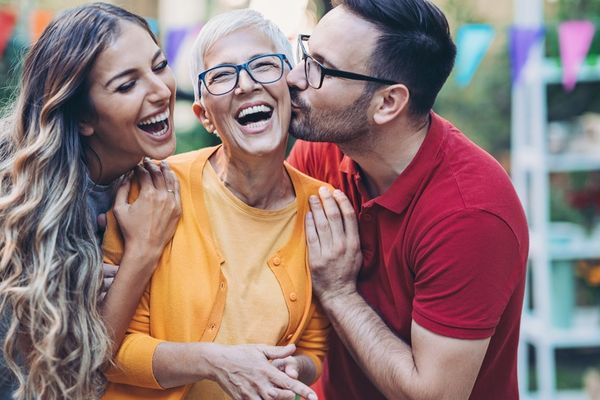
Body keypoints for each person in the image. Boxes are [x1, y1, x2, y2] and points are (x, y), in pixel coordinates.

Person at [286, 0, 529, 399]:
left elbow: (434, 394)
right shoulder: (322, 154)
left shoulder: (471, 214)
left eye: (320, 69)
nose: (294, 78)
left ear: (387, 103)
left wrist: (339, 293)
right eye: (304, 54)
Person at [100, 9, 328, 400]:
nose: (246, 85)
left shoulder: (324, 210)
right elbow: (109, 351)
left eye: (264, 66)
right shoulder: (153, 191)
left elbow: (313, 349)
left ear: (290, 89)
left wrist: (292, 367)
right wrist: (217, 362)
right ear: (204, 115)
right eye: (222, 76)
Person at [0, 3, 181, 399]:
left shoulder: (148, 186)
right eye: (127, 84)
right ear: (83, 118)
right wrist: (142, 251)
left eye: (159, 64)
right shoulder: (21, 207)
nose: (161, 90)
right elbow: (71, 381)